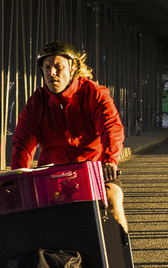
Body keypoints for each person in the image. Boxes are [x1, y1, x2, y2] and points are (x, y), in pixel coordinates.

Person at [10, 41, 128, 233]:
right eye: (47, 68)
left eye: (58, 67)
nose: (52, 73)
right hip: (54, 174)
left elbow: (111, 127)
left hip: (94, 170)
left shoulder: (95, 94)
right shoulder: (37, 102)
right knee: (44, 217)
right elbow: (23, 143)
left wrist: (110, 160)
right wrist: (18, 175)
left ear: (73, 68)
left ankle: (120, 255)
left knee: (113, 199)